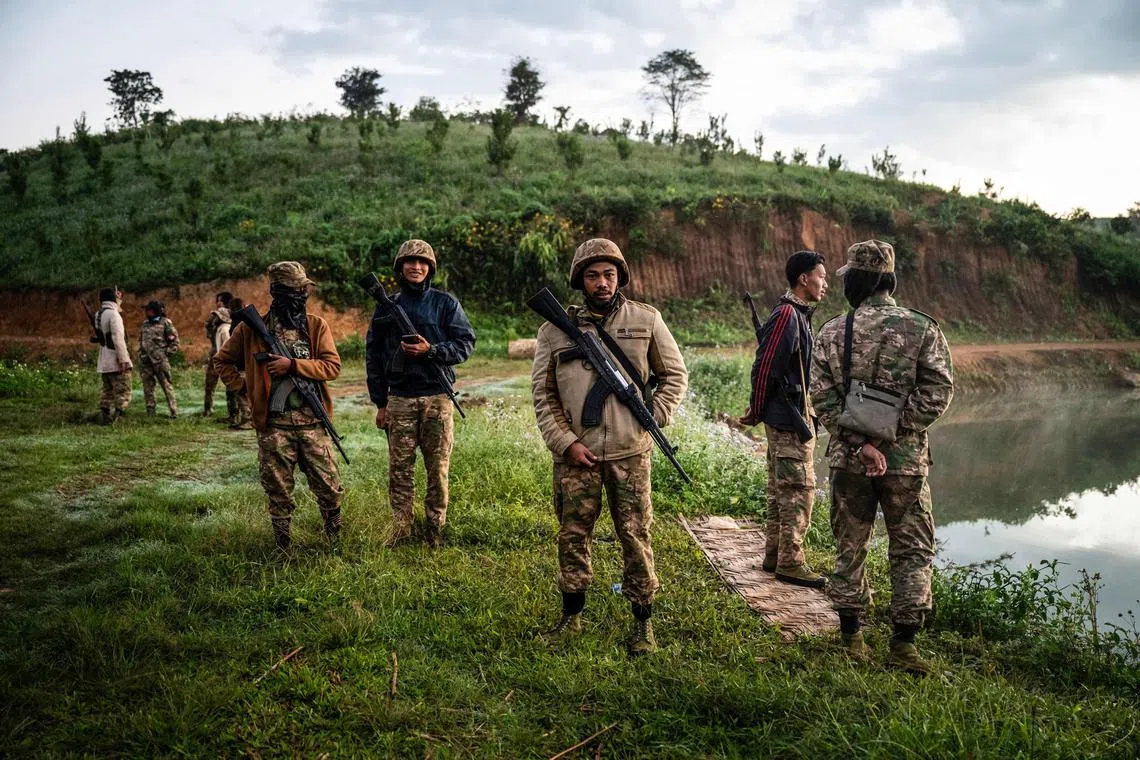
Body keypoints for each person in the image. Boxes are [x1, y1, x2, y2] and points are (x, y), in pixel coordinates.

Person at [531, 238, 688, 656]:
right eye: (593, 275)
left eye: (609, 274)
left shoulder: (646, 319)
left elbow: (674, 376)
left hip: (630, 453)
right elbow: (544, 396)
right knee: (572, 534)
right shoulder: (553, 330)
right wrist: (565, 444)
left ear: (620, 277)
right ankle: (572, 616)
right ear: (580, 280)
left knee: (635, 536)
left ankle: (643, 625)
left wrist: (655, 414)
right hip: (577, 456)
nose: (602, 282)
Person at [810, 240, 954, 675]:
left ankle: (852, 638)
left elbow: (822, 397)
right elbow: (939, 390)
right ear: (889, 279)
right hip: (906, 461)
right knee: (911, 548)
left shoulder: (833, 330)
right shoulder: (922, 327)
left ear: (855, 280)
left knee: (850, 544)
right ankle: (904, 647)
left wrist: (862, 444)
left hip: (850, 461)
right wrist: (893, 434)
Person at [213, 262, 345, 553]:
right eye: (293, 290)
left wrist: (293, 365)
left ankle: (335, 540)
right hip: (274, 427)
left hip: (312, 423)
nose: (300, 295)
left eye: (303, 290)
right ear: (276, 292)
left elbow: (332, 366)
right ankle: (282, 547)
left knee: (329, 487)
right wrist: (244, 387)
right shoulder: (251, 330)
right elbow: (222, 361)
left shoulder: (315, 326)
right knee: (278, 491)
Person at [365, 240, 475, 549]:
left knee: (437, 470)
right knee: (399, 470)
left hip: (437, 398)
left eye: (422, 262)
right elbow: (373, 355)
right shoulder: (386, 307)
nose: (416, 267)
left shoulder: (445, 303)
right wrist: (380, 403)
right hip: (399, 399)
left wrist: (432, 350)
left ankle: (434, 530)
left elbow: (465, 343)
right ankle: (401, 530)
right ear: (400, 267)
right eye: (410, 262)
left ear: (430, 268)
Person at [740, 251, 828, 589]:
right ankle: (791, 562)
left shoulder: (798, 315)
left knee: (781, 489)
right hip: (788, 419)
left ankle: (775, 556)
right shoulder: (788, 315)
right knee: (799, 491)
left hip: (790, 416)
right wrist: (757, 409)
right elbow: (765, 367)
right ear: (803, 279)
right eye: (820, 277)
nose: (824, 285)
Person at [94, 286, 132, 425]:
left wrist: (118, 300)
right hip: (115, 358)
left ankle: (105, 417)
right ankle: (119, 418)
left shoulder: (98, 314)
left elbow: (114, 307)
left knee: (107, 391)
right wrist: (124, 360)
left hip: (104, 359)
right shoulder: (114, 315)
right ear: (113, 299)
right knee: (123, 390)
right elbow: (118, 339)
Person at [137, 300, 180, 418]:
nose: (146, 312)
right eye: (146, 310)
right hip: (146, 361)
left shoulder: (166, 323)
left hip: (160, 361)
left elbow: (175, 343)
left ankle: (173, 411)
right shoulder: (145, 324)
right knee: (148, 387)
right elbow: (141, 340)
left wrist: (165, 354)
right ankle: (151, 412)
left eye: (149, 310)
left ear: (155, 311)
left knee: (166, 386)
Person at [203, 291, 232, 418]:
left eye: (219, 301)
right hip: (217, 352)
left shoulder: (227, 315)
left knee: (229, 385)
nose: (217, 304)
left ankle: (232, 412)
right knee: (210, 383)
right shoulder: (220, 320)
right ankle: (208, 409)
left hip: (225, 354)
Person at [225, 297, 252, 430]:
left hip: (242, 363)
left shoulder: (237, 322)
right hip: (249, 361)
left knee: (241, 391)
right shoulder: (248, 319)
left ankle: (247, 419)